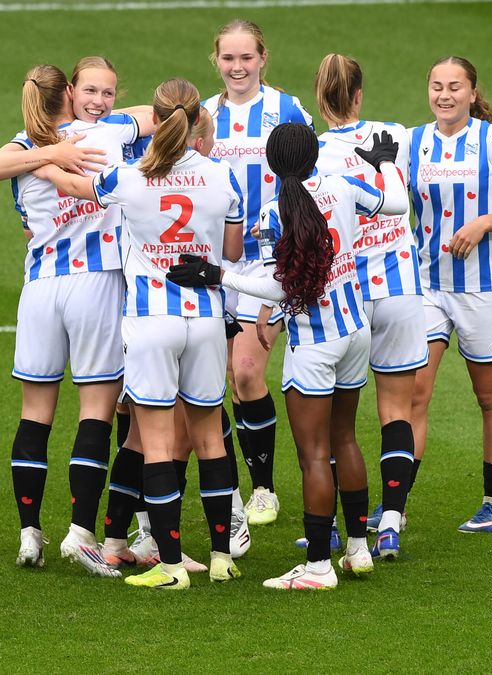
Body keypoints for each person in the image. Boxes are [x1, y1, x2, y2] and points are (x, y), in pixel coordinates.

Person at [169, 122, 408, 590]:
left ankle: (319, 567)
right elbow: (398, 205)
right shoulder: (342, 185)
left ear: (272, 164)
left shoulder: (273, 214)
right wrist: (384, 166)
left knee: (314, 455)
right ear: (315, 154)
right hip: (354, 330)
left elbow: (278, 285)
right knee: (345, 441)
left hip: (314, 345)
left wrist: (219, 275)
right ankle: (358, 551)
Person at [39, 78, 245, 589]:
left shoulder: (129, 177)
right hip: (205, 321)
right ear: (199, 121)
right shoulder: (222, 177)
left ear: (155, 119)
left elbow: (70, 186)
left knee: (153, 443)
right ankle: (221, 557)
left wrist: (35, 158)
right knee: (209, 440)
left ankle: (171, 567)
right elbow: (235, 251)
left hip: (152, 322)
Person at [0, 63, 155, 577]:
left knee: (35, 413)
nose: (99, 99)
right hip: (97, 283)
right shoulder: (106, 131)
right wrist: (109, 115)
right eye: (92, 91)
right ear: (73, 93)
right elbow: (157, 112)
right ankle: (81, 533)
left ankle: (29, 531)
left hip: (39, 289)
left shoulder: (21, 148)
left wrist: (50, 154)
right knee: (97, 410)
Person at [408, 57, 492, 533]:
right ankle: (394, 508)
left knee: (490, 397)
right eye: (437, 87)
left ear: (471, 92)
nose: (444, 95)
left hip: (484, 289)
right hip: (427, 285)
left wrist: (485, 222)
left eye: (454, 87)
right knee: (415, 392)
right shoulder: (414, 142)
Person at [313, 53, 425, 559]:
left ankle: (338, 529)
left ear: (320, 97)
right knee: (396, 409)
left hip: (346, 298)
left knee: (339, 423)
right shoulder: (397, 136)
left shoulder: (313, 154)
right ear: (359, 95)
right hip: (400, 288)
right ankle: (392, 522)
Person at [203, 19, 314, 529]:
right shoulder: (203, 115)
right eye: (229, 58)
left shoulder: (287, 111)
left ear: (263, 58)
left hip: (265, 262)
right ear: (216, 61)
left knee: (247, 371)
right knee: (217, 379)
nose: (238, 67)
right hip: (214, 263)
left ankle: (264, 489)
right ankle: (229, 484)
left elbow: (315, 180)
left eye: (247, 57)